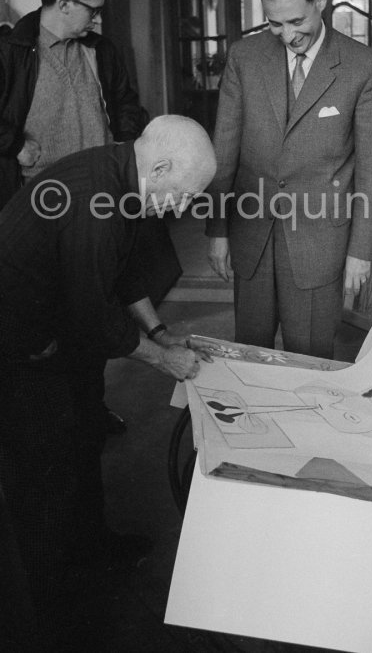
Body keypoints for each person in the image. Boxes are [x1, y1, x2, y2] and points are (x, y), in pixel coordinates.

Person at [0, 115, 216, 648]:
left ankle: (96, 552)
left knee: (83, 440)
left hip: (58, 333)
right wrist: (164, 362)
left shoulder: (126, 180)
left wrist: (161, 333)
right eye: (186, 193)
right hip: (19, 343)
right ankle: (59, 615)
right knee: (44, 475)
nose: (185, 207)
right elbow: (91, 314)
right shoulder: (90, 195)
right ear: (161, 166)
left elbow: (123, 276)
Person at [0, 0, 180, 432]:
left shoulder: (101, 50)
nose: (97, 19)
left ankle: (92, 411)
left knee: (97, 299)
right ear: (62, 4)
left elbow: (127, 106)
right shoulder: (12, 50)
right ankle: (61, 421)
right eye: (91, 9)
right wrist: (13, 144)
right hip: (41, 205)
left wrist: (128, 149)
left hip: (101, 198)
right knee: (55, 321)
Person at [206, 0, 372, 359]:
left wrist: (362, 250)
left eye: (296, 21)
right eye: (275, 24)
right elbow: (225, 148)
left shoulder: (364, 67)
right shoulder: (244, 58)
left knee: (308, 361)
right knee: (249, 357)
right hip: (250, 232)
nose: (287, 35)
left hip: (320, 241)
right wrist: (217, 229)